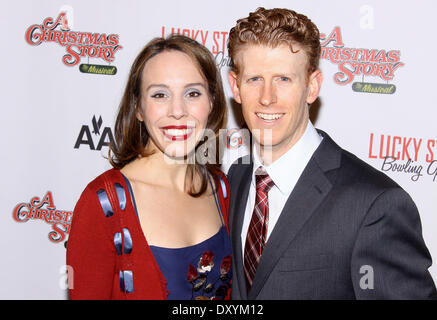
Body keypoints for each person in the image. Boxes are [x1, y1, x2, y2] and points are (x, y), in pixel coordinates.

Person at [226, 7, 437, 299]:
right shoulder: (236, 178)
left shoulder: (373, 205)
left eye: (283, 79)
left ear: (312, 87)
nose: (267, 97)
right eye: (254, 79)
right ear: (235, 86)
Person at [67, 35, 232, 300]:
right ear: (139, 108)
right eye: (159, 94)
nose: (177, 111)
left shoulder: (222, 188)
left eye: (192, 93)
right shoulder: (103, 204)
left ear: (211, 103)